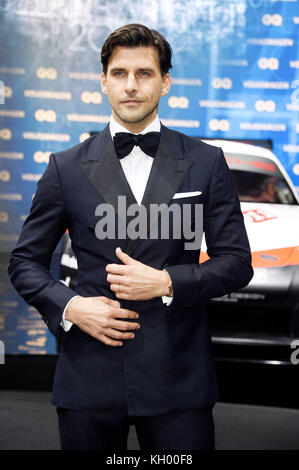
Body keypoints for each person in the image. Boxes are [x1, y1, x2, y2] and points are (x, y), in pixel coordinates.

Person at [8, 23, 253, 450]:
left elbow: (236, 262)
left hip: (179, 378)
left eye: (144, 73)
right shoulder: (64, 167)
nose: (132, 86)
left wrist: (169, 282)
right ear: (103, 82)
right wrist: (71, 306)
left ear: (166, 82)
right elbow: (24, 263)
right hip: (89, 374)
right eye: (120, 73)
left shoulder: (205, 162)